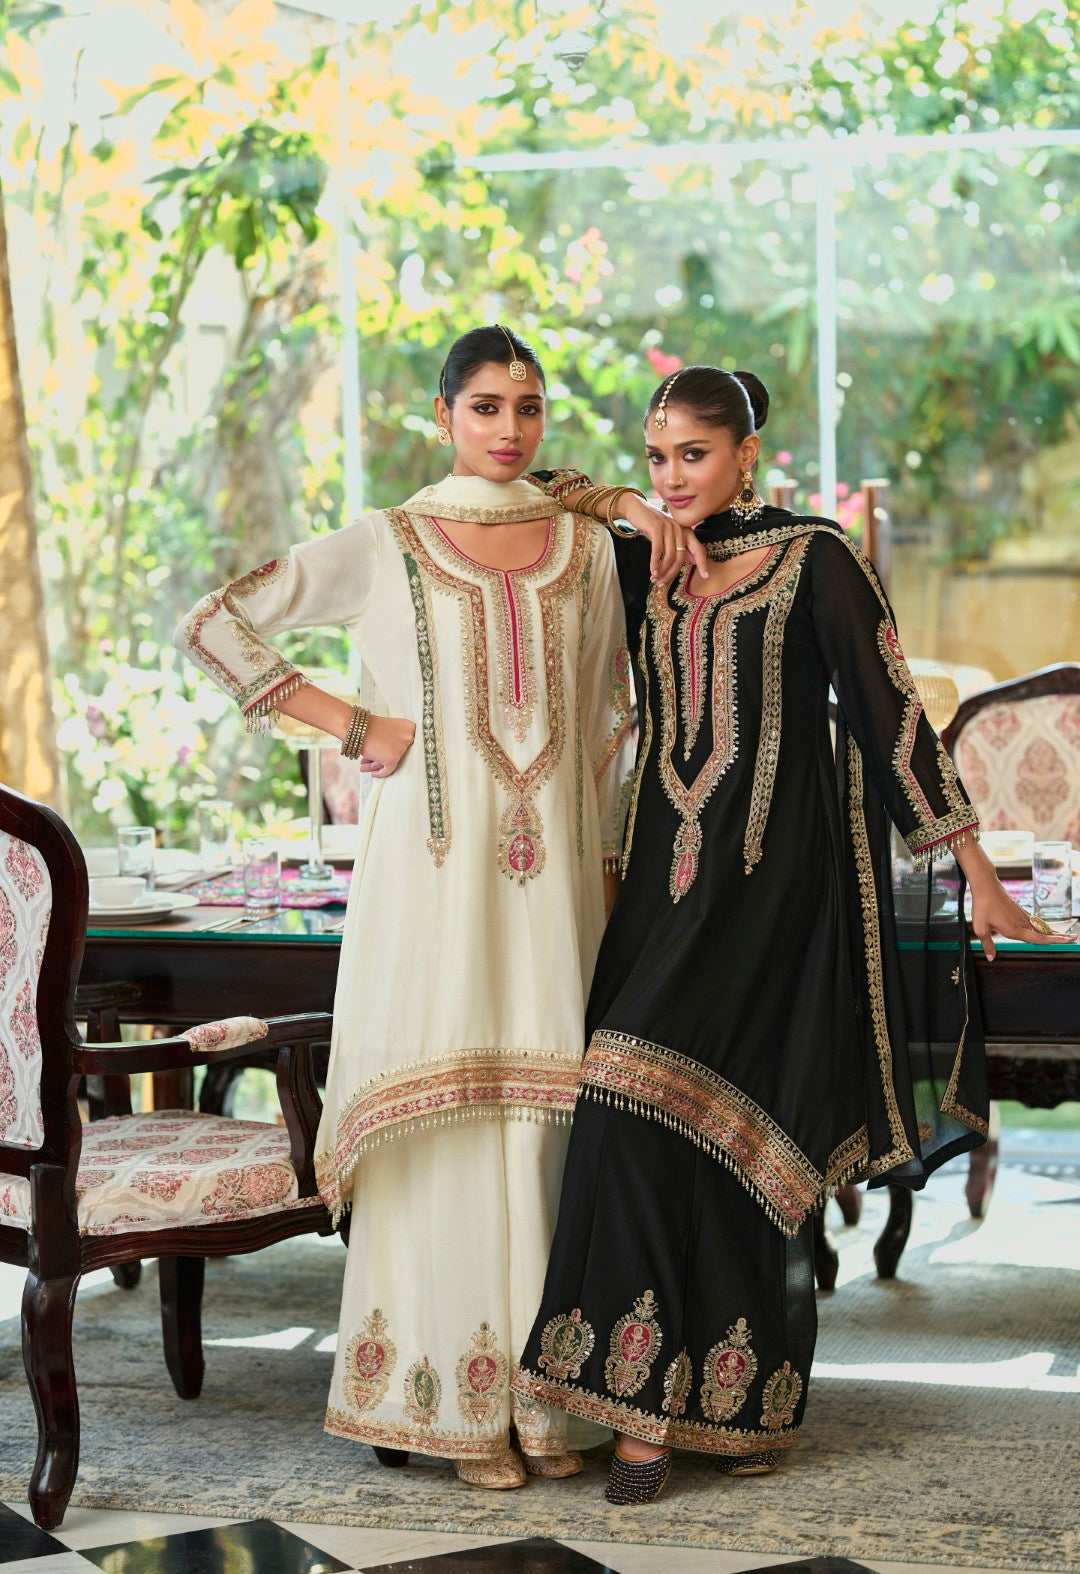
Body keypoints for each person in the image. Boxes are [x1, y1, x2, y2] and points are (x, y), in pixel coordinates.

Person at [512, 365, 1072, 1504]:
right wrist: (629, 507)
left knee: (721, 1133)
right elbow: (537, 491)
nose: (675, 477)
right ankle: (675, 1401)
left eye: (694, 455)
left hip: (775, 886)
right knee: (624, 1103)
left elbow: (894, 720)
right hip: (664, 886)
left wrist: (976, 874)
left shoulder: (816, 558)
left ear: (747, 454)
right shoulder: (638, 552)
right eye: (658, 456)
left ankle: (692, 1414)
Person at [174, 325, 654, 1488]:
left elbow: (610, 725)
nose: (508, 427)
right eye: (485, 406)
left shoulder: (588, 550)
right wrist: (354, 724)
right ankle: (450, 1407)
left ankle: (549, 1413)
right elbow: (213, 623)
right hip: (428, 877)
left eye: (528, 407)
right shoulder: (385, 542)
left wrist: (606, 874)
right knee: (444, 1117)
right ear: (443, 416)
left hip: (555, 886)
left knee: (547, 1122)